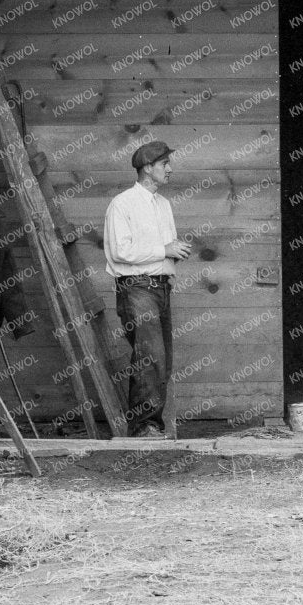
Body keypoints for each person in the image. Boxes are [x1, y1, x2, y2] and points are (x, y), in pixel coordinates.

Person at [103, 139, 192, 437]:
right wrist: (165, 249)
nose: (170, 169)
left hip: (160, 289)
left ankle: (152, 427)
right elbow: (120, 252)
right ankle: (144, 428)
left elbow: (167, 251)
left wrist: (171, 265)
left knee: (161, 360)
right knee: (150, 357)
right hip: (136, 289)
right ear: (147, 168)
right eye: (164, 164)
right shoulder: (122, 204)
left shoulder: (164, 205)